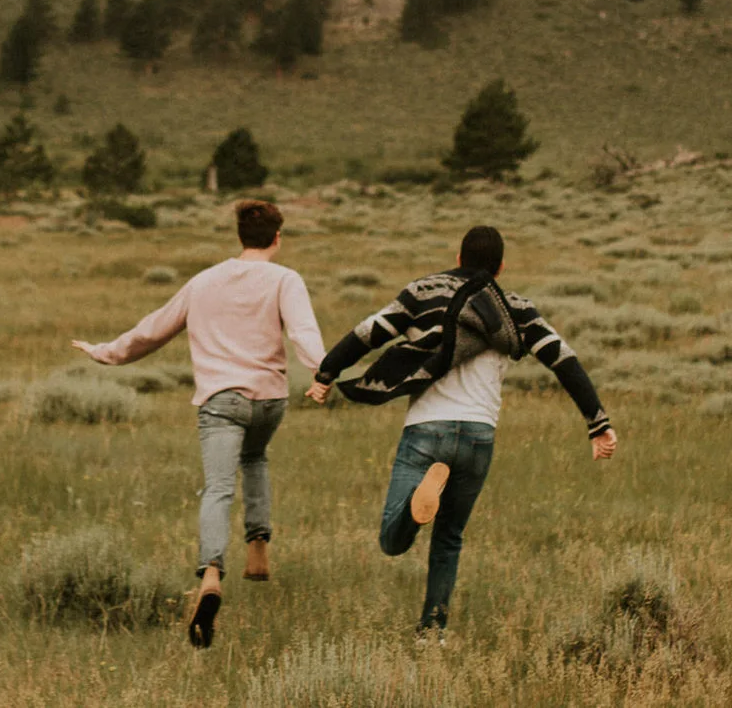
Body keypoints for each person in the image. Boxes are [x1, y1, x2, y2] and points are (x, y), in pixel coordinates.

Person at [309, 224, 616, 638]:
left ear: (458, 259)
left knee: (392, 539)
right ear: (500, 267)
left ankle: (420, 502)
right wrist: (598, 424)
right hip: (478, 435)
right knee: (449, 538)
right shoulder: (514, 308)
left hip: (427, 429)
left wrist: (327, 372)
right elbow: (564, 360)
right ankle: (432, 631)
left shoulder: (423, 293)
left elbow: (370, 332)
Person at [73, 197, 325, 649]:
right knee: (256, 457)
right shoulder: (286, 279)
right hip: (269, 400)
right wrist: (322, 374)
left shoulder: (204, 282)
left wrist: (105, 352)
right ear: (277, 238)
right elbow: (303, 332)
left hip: (221, 400)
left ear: (240, 237)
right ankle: (258, 545)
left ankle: (211, 574)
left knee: (218, 488)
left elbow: (153, 330)